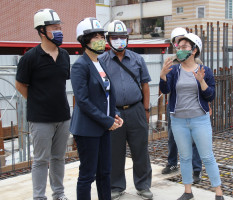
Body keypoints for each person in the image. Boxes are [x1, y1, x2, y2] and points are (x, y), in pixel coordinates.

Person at [159, 33, 224, 200]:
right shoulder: (174, 70)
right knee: (185, 157)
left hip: (199, 120)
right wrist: (163, 76)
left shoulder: (205, 71)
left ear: (194, 50)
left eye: (184, 47)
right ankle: (188, 191)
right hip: (178, 120)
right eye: (178, 47)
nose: (180, 50)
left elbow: (211, 96)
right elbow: (166, 90)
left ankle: (218, 193)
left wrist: (202, 82)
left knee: (207, 156)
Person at [15, 9, 70, 200]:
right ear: (41, 30)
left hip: (63, 117)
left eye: (59, 26)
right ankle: (39, 197)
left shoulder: (64, 55)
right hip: (40, 119)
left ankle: (59, 194)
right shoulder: (30, 58)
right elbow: (20, 85)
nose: (59, 30)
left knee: (58, 159)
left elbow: (60, 84)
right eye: (54, 27)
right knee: (40, 160)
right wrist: (38, 101)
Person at [70, 17, 123, 200]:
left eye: (102, 36)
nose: (101, 40)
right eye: (96, 37)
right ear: (85, 41)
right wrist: (107, 121)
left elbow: (106, 96)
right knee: (87, 175)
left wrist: (115, 114)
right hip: (87, 130)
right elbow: (83, 101)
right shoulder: (80, 66)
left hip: (104, 127)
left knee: (105, 172)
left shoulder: (100, 63)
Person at [99, 20, 153, 200]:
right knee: (115, 151)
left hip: (136, 109)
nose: (119, 40)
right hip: (114, 112)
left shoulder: (137, 59)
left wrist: (146, 109)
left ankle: (143, 185)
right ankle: (116, 186)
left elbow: (145, 85)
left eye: (123, 37)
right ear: (108, 39)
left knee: (140, 150)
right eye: (115, 37)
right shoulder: (101, 61)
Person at [162, 27, 203, 184]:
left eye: (183, 41)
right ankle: (172, 163)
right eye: (177, 41)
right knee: (173, 137)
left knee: (194, 139)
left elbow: (202, 85)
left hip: (193, 107)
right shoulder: (171, 62)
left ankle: (196, 170)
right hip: (175, 106)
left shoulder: (196, 62)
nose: (180, 45)